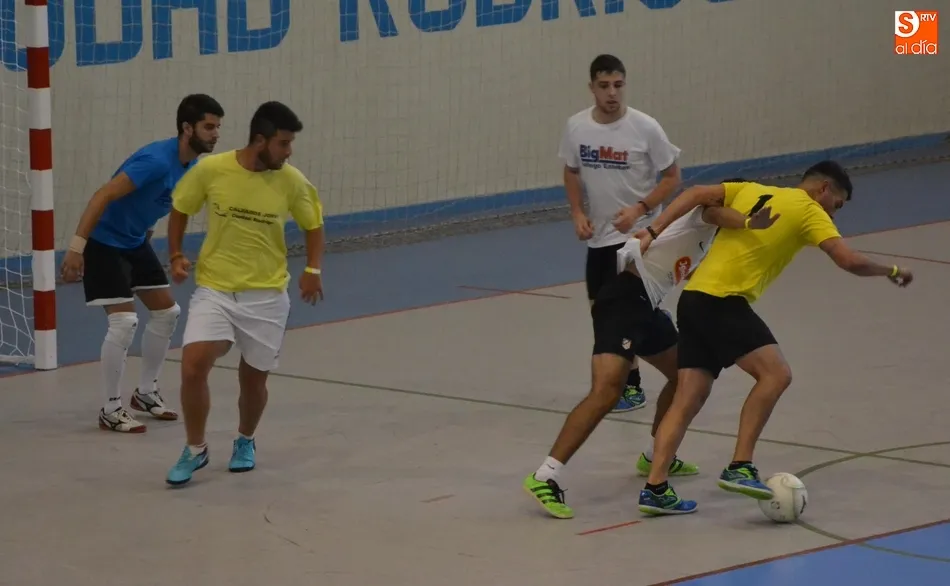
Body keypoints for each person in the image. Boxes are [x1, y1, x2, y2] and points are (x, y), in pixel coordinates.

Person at [636, 161, 914, 515]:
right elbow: (848, 261)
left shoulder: (752, 190)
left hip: (693, 299)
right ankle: (740, 466)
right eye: (837, 204)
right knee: (776, 374)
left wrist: (653, 230)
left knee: (688, 397)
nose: (834, 213)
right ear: (823, 189)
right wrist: (891, 270)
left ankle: (655, 488)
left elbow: (694, 193)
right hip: (724, 301)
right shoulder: (809, 210)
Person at [522, 180, 780, 519]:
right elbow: (713, 208)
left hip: (647, 307)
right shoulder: (708, 214)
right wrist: (749, 222)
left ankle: (655, 455)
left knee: (683, 376)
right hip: (625, 300)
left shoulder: (707, 239)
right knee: (607, 391)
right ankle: (545, 476)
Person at [163, 101, 325, 487]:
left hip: (266, 296)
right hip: (215, 290)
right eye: (283, 143)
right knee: (192, 367)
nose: (289, 152)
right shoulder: (212, 169)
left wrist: (313, 270)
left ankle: (245, 440)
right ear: (260, 141)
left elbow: (314, 225)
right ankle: (195, 448)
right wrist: (176, 254)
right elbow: (181, 208)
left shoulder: (292, 181)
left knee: (253, 381)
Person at [60, 94, 224, 433]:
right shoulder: (156, 160)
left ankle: (145, 392)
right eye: (209, 127)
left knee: (168, 312)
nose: (216, 134)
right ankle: (110, 409)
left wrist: (146, 238)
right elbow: (102, 195)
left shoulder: (191, 167)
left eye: (217, 127)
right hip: (104, 242)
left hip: (135, 242)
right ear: (187, 128)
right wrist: (77, 248)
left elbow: (153, 204)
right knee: (123, 322)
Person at [560, 54, 683, 413]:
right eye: (604, 86)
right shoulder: (576, 127)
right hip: (599, 239)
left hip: (640, 239)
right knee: (601, 314)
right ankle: (656, 325)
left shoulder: (645, 127)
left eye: (618, 85)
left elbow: (673, 177)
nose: (612, 93)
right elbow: (571, 170)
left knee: (622, 317)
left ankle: (631, 387)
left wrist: (639, 210)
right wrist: (577, 212)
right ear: (592, 88)